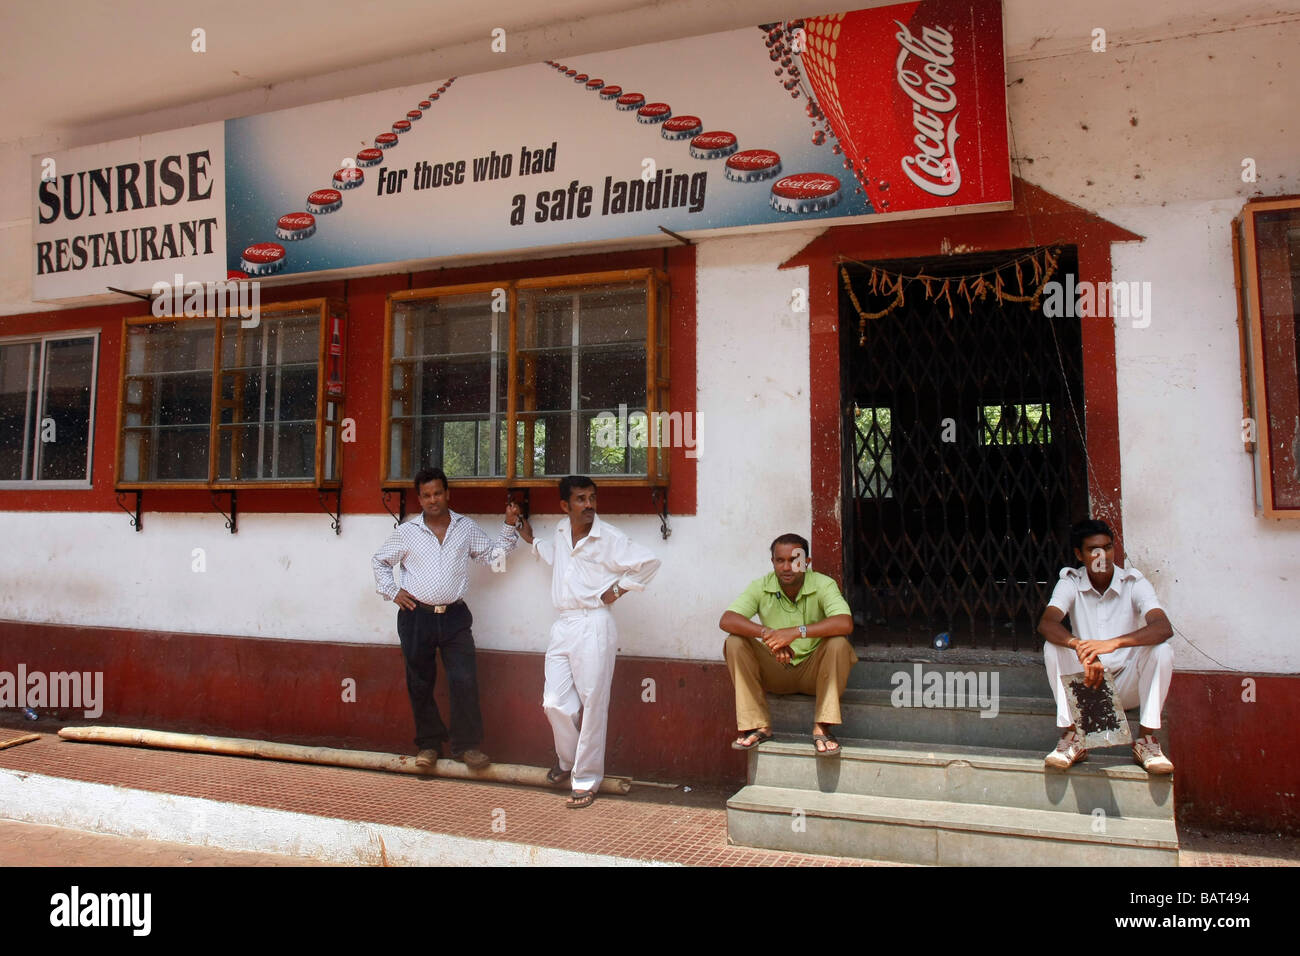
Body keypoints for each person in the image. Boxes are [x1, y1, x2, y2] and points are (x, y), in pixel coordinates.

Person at [515, 476, 659, 809]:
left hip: (594, 623)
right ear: (565, 505)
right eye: (580, 499)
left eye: (592, 498)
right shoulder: (562, 533)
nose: (589, 505)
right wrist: (531, 540)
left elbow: (649, 562)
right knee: (553, 702)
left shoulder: (608, 537)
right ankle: (568, 760)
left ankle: (585, 779)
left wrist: (620, 589)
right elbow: (555, 558)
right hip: (563, 625)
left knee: (593, 704)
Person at [372, 467, 524, 774]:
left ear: (447, 494)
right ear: (419, 498)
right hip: (416, 617)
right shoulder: (407, 532)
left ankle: (467, 746)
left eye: (437, 493)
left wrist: (509, 526)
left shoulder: (464, 528)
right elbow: (380, 561)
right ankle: (428, 745)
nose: (432, 500)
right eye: (426, 495)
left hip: (454, 616)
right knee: (420, 681)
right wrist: (392, 591)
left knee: (464, 680)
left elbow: (495, 560)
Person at [1036, 519, 1175, 774]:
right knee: (1053, 647)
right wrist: (1080, 647)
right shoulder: (1071, 582)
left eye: (1107, 547)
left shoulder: (1134, 582)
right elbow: (1047, 623)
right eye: (1093, 550)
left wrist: (1112, 644)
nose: (1103, 555)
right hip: (1089, 682)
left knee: (1162, 650)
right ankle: (1073, 738)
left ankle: (1146, 741)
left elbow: (1163, 627)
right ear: (1079, 554)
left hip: (1128, 684)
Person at [718, 534, 858, 757]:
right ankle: (758, 725)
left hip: (815, 674)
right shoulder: (761, 586)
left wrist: (795, 633)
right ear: (772, 562)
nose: (787, 567)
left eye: (795, 560)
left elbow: (844, 622)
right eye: (780, 560)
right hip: (776, 669)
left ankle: (822, 725)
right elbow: (727, 619)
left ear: (807, 562)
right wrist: (769, 635)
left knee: (839, 644)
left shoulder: (823, 584)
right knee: (734, 642)